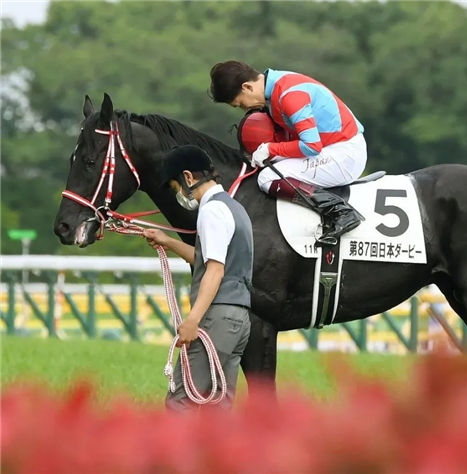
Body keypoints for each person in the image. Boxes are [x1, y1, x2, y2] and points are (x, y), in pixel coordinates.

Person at [209, 60, 367, 245]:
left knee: (267, 178)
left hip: (345, 154)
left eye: (241, 104)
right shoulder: (276, 85)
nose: (246, 110)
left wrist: (270, 149)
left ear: (247, 87)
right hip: (331, 148)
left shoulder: (289, 95)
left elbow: (311, 146)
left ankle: (341, 212)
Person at [144, 144, 253, 410]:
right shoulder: (235, 208)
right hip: (239, 318)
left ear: (188, 177)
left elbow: (215, 270)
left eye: (176, 187)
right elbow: (205, 259)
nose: (179, 195)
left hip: (217, 317)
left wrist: (192, 320)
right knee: (218, 407)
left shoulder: (211, 211)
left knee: (180, 401)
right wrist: (167, 241)